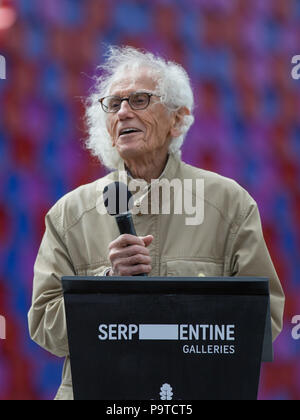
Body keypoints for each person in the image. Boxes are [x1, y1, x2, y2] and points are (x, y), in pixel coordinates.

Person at [28, 46, 285, 400]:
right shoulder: (69, 215)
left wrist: (180, 325)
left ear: (177, 119)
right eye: (113, 104)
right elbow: (44, 326)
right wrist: (107, 285)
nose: (123, 112)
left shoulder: (229, 204)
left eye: (139, 100)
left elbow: (264, 320)